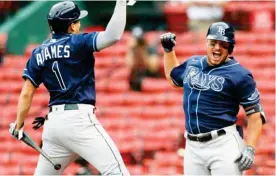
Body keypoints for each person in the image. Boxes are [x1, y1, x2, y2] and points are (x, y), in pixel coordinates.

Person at [9, 0, 134, 175]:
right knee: (117, 171)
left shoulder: (38, 52)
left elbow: (27, 93)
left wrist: (19, 124)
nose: (79, 24)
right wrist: (121, 3)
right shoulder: (78, 42)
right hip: (78, 120)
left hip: (53, 125)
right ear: (72, 26)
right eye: (77, 21)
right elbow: (113, 35)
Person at [160, 22, 266, 175]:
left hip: (223, 144)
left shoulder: (240, 74)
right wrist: (168, 51)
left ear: (230, 48)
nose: (217, 48)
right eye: (213, 43)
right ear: (207, 43)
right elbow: (173, 79)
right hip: (192, 146)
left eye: (223, 44)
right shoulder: (193, 63)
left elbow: (255, 115)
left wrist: (250, 148)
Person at [126, 26, 161, 91]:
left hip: (150, 78)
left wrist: (143, 52)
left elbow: (153, 68)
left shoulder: (151, 48)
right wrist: (132, 50)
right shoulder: (133, 49)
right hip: (137, 79)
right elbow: (130, 65)